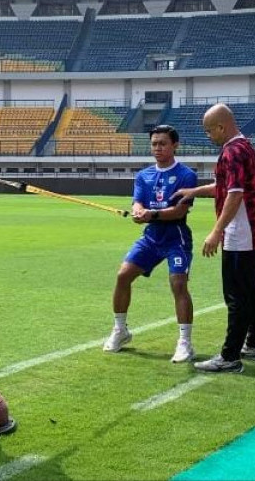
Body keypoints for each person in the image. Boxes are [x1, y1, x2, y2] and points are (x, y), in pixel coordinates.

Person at [173, 103, 255, 373]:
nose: (208, 136)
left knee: (237, 295)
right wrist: (193, 191)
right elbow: (224, 187)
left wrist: (216, 232)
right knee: (252, 289)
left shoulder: (232, 151)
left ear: (221, 127)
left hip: (241, 233)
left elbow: (234, 194)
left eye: (208, 131)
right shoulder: (243, 146)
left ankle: (230, 356)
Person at [103, 125, 198, 363]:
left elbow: (179, 211)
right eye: (154, 143)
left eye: (163, 143)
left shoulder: (187, 175)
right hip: (151, 237)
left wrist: (150, 214)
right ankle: (120, 330)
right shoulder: (143, 175)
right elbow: (137, 203)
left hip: (176, 237)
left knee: (178, 284)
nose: (157, 148)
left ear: (175, 145)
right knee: (123, 275)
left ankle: (185, 342)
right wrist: (138, 212)